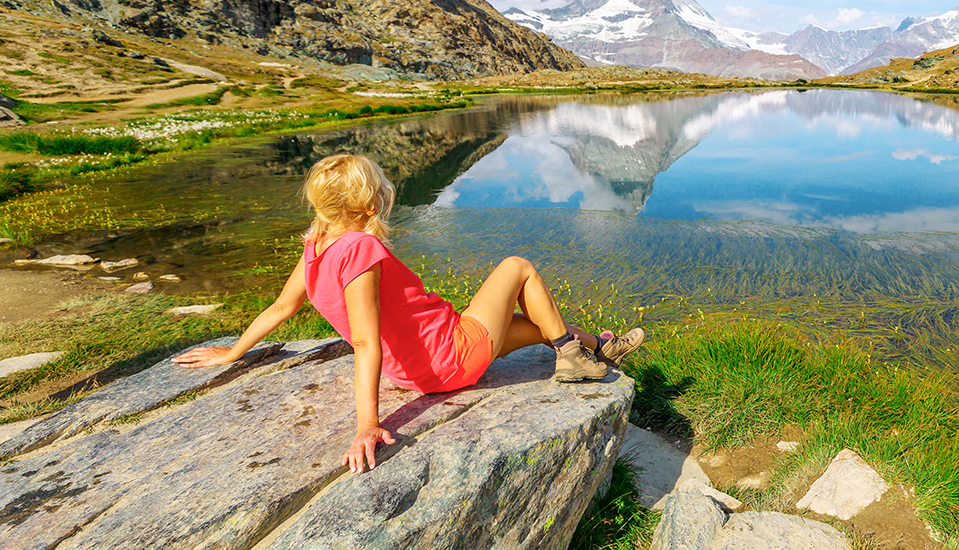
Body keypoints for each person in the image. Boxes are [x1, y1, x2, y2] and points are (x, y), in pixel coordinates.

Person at [174, 153, 643, 474]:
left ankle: (601, 347)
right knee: (517, 268)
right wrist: (366, 425)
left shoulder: (316, 245)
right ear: (371, 204)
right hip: (454, 356)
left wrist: (235, 352)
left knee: (536, 325)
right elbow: (363, 340)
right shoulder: (360, 248)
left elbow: (282, 306)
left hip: (422, 367)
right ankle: (571, 354)